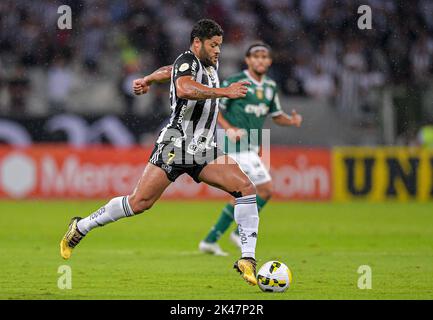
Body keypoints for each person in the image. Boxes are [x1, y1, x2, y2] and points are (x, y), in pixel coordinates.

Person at [60, 19, 260, 286]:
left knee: (246, 188)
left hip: (202, 148)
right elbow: (183, 87)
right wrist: (224, 92)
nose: (217, 51)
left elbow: (171, 71)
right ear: (197, 42)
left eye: (220, 46)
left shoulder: (206, 63)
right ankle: (81, 226)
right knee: (138, 203)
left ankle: (247, 258)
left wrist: (149, 78)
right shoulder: (188, 59)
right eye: (213, 45)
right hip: (175, 145)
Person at [198, 43, 303, 256]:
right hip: (235, 146)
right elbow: (215, 107)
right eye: (256, 56)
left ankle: (211, 240)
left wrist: (291, 121)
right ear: (247, 60)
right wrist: (228, 129)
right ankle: (237, 233)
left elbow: (276, 116)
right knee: (265, 189)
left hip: (252, 145)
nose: (260, 60)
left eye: (264, 56)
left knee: (242, 193)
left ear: (270, 61)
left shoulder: (271, 87)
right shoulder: (236, 82)